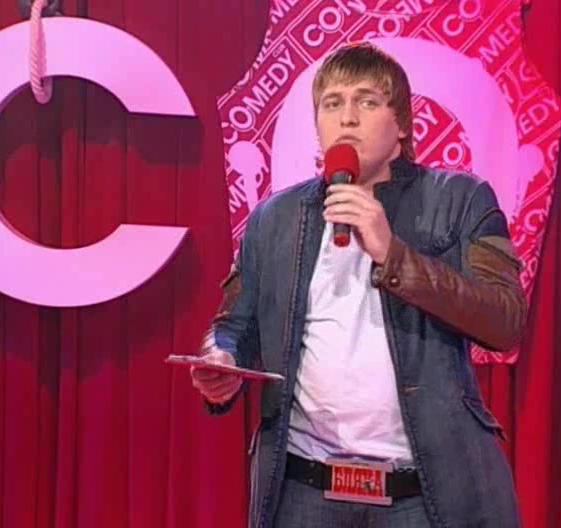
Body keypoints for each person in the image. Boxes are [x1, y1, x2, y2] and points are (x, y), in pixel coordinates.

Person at [191, 42, 527, 528]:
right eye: (332, 104)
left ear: (402, 124)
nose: (346, 117)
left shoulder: (460, 199)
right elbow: (233, 325)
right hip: (305, 490)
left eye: (366, 101)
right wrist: (220, 361)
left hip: (423, 494)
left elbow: (504, 320)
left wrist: (393, 254)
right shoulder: (275, 217)